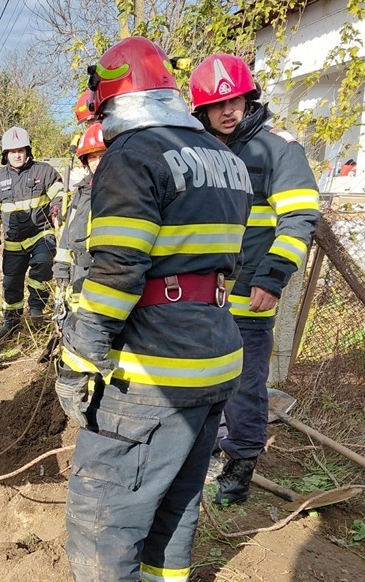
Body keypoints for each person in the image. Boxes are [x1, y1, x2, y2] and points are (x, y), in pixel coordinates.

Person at [58, 37, 252, 581]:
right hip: (215, 361)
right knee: (175, 509)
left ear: (112, 102)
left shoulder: (132, 155)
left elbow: (117, 271)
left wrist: (80, 360)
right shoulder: (222, 156)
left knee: (104, 521)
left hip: (151, 374)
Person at [190, 54, 321, 505]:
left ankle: (241, 464)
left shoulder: (279, 148)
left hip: (250, 293)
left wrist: (272, 278)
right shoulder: (200, 151)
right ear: (202, 111)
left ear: (250, 99)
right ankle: (213, 448)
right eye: (218, 103)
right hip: (204, 294)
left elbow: (299, 218)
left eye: (237, 100)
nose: (229, 110)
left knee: (245, 385)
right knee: (208, 380)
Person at [0, 126, 65, 340]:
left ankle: (37, 310)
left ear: (28, 151)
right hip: (13, 242)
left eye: (21, 150)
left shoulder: (44, 171)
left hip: (41, 233)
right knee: (11, 282)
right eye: (12, 151)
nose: (17, 155)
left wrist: (57, 210)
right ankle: (11, 321)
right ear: (5, 154)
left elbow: (59, 194)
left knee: (42, 264)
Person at [52, 122, 105, 409]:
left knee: (95, 335)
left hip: (100, 275)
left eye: (103, 155)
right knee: (74, 330)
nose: (98, 162)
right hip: (76, 276)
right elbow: (68, 232)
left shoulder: (119, 189)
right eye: (92, 157)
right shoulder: (82, 191)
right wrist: (61, 266)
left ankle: (97, 397)